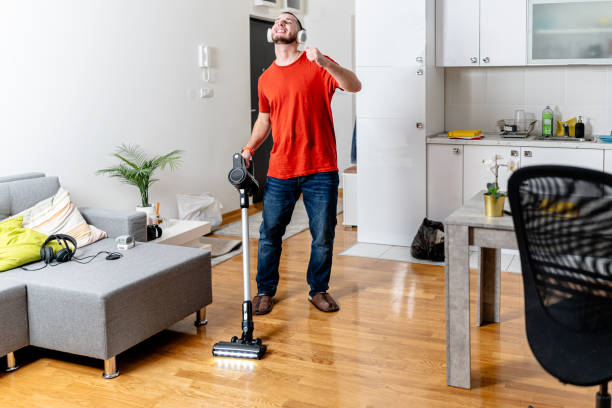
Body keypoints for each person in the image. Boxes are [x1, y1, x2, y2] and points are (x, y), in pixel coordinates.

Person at [240, 11, 361, 315]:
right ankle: (265, 291)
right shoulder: (266, 78)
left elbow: (355, 86)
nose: (280, 23)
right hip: (281, 170)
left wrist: (326, 63)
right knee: (269, 234)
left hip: (320, 168)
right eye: (277, 21)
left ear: (300, 33)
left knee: (322, 234)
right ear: (272, 33)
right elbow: (265, 120)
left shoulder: (317, 64)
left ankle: (318, 290)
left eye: (288, 21)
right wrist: (250, 146)